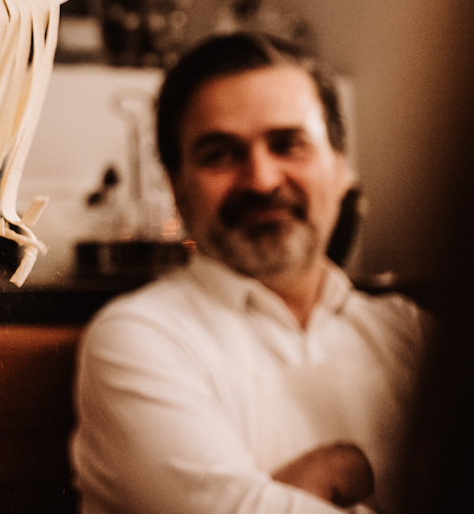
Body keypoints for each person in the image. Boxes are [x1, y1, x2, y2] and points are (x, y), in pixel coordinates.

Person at [69, 32, 433, 514]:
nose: (261, 180)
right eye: (220, 154)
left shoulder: (408, 333)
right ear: (177, 188)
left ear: (341, 168)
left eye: (288, 144)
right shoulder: (138, 338)